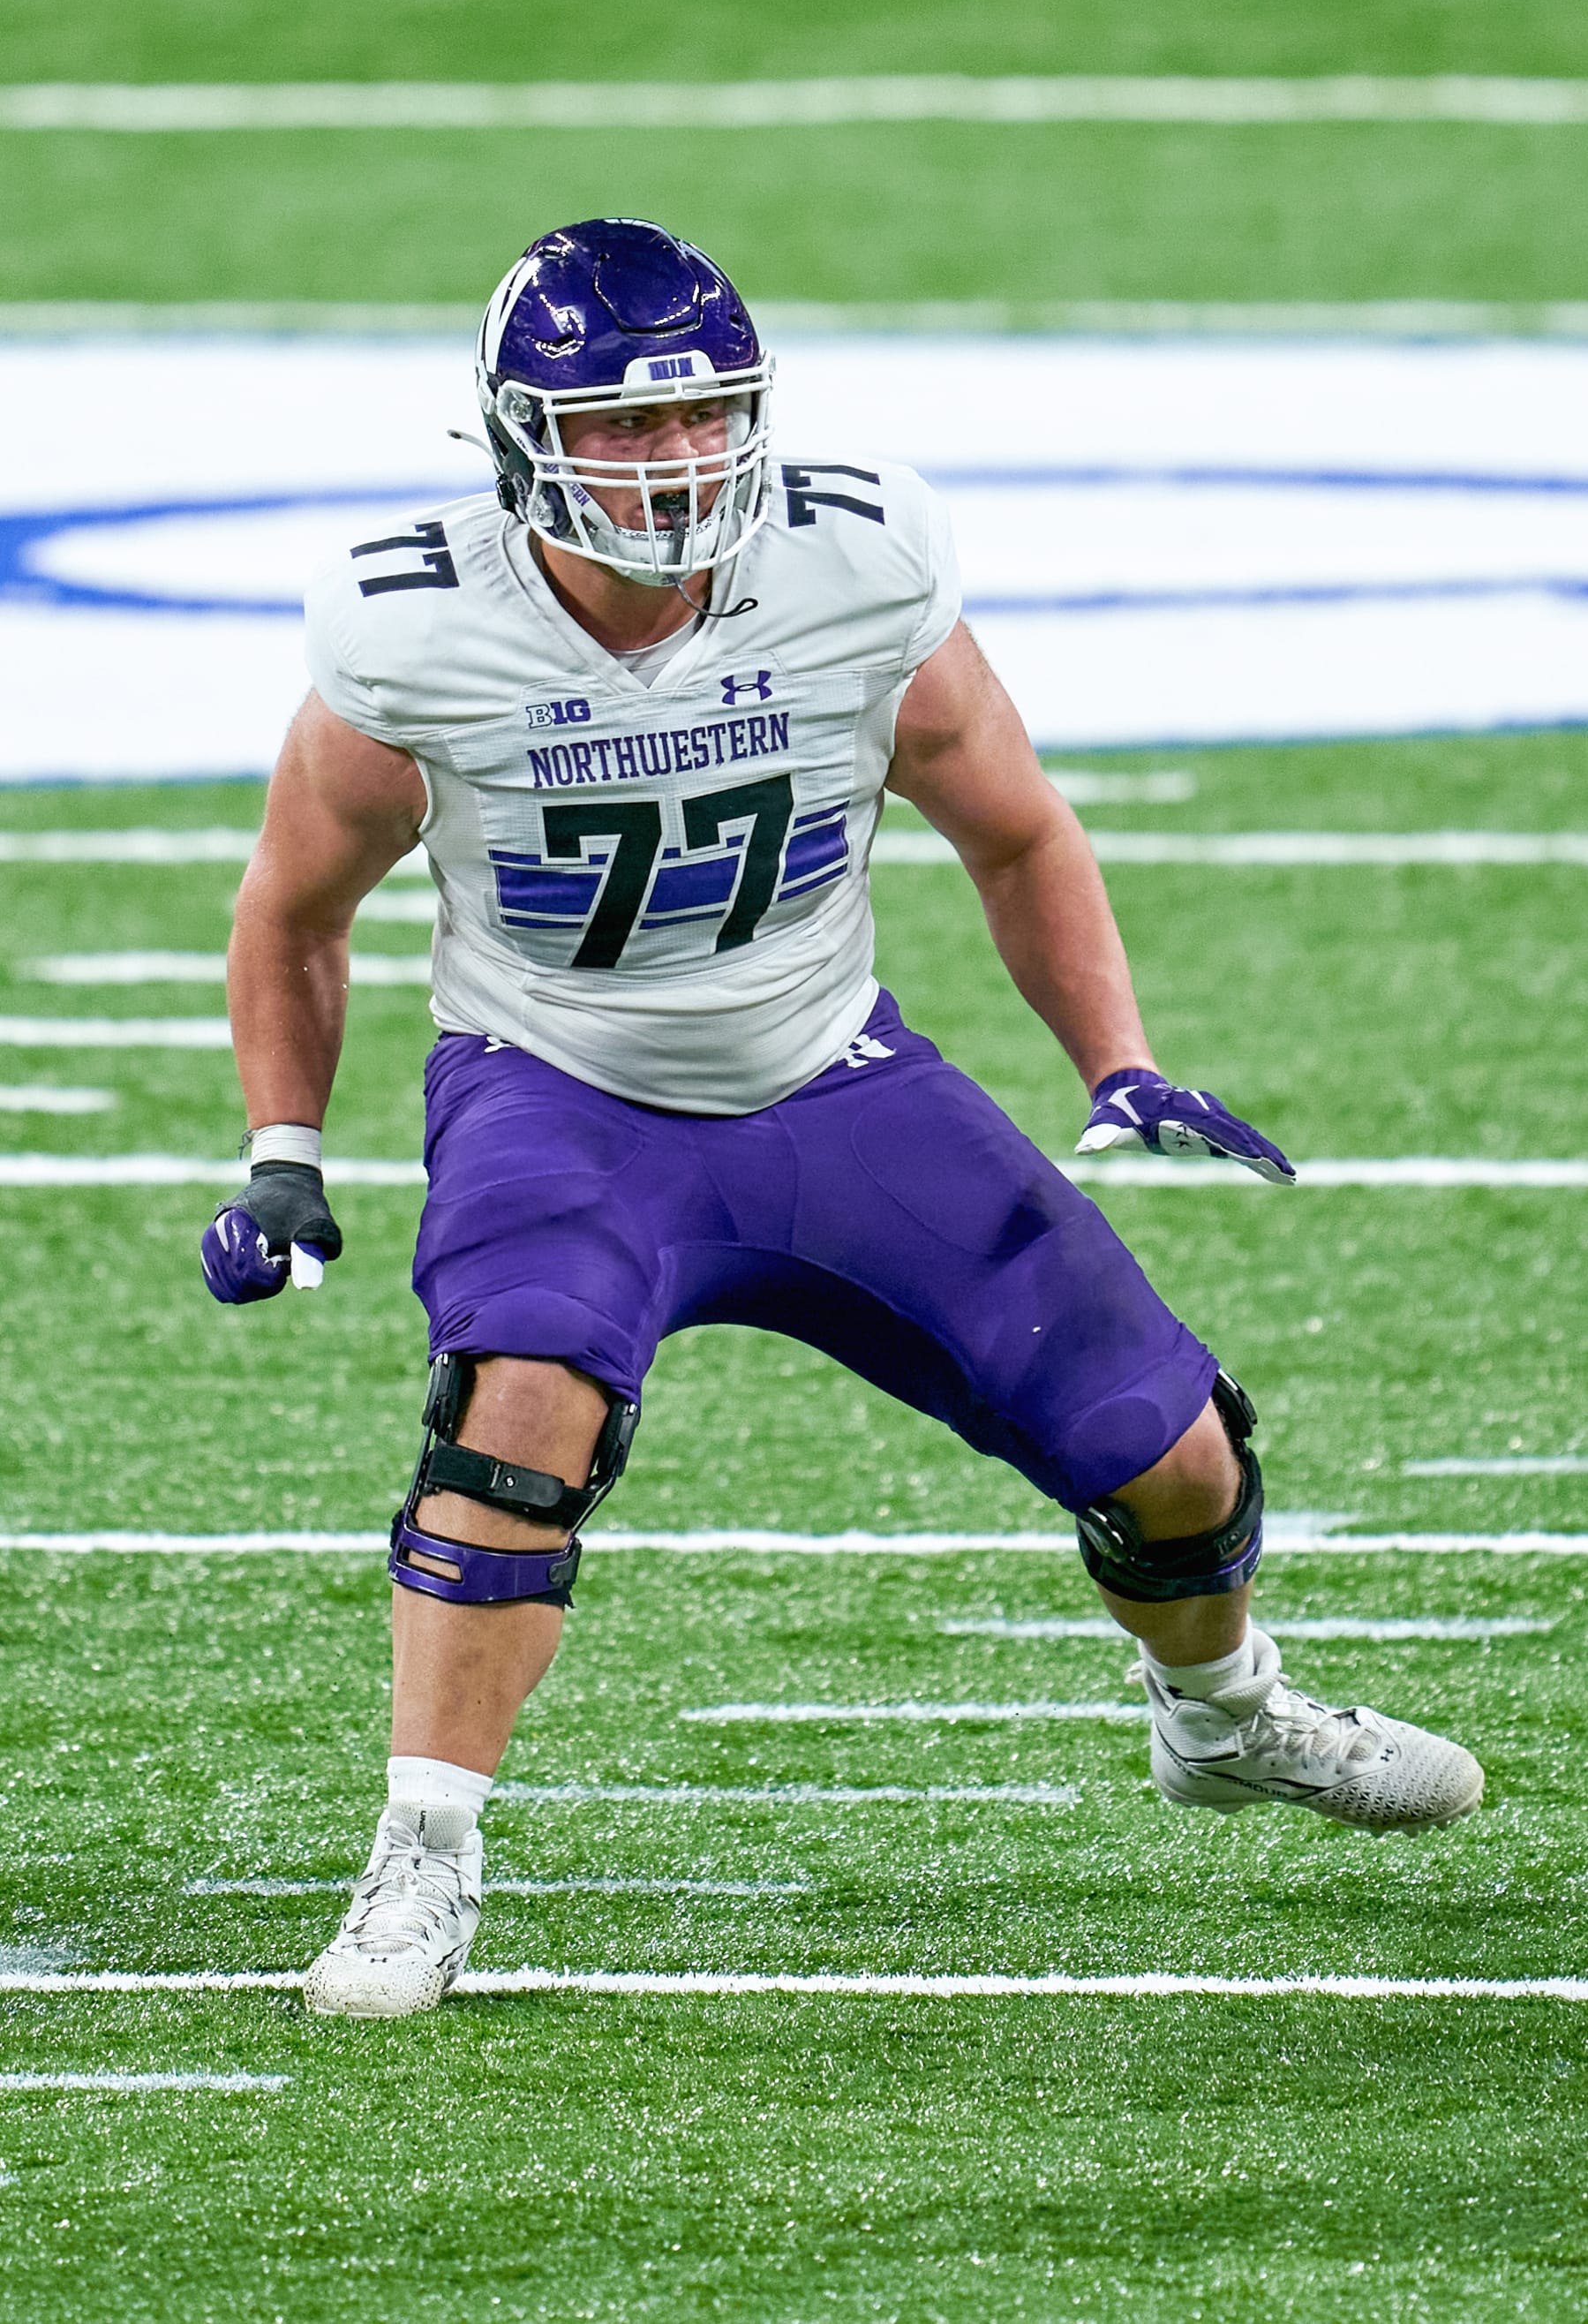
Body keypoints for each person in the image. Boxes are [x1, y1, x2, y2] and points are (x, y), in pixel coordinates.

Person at [202, 219, 1482, 2020]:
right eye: (624, 430)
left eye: (704, 416)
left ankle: (1227, 1717)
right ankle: (424, 1857)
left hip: (831, 1077)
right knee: (519, 1410)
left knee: (1174, 1449)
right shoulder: (416, 628)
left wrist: (1113, 1061)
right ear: (515, 439)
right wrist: (285, 1148)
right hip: (560, 1092)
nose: (673, 463)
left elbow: (1015, 826)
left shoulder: (858, 560)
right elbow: (294, 911)